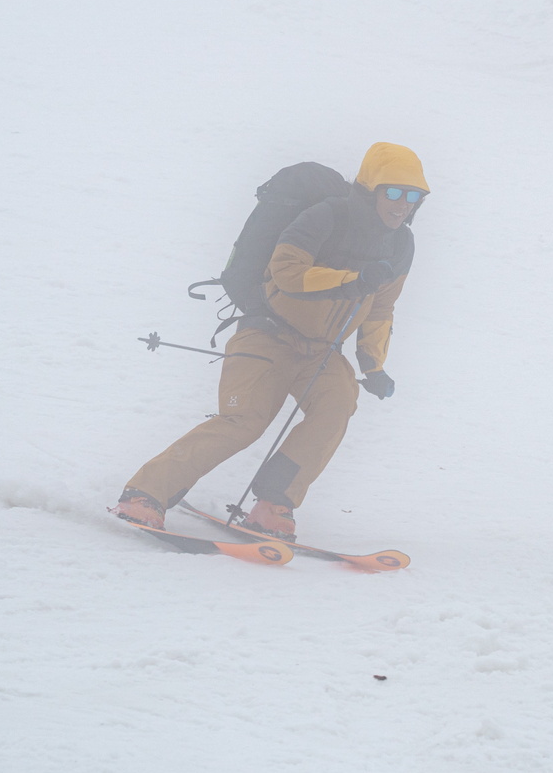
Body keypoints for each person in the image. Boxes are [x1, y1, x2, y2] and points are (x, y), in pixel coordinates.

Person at [110, 142, 429, 539]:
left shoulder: (400, 245)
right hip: (268, 334)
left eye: (413, 196)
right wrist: (351, 280)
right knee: (245, 421)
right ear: (372, 190)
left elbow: (381, 309)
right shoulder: (325, 217)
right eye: (394, 192)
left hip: (322, 352)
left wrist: (374, 365)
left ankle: (274, 504)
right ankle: (144, 492)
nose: (403, 204)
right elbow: (286, 273)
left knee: (338, 406)